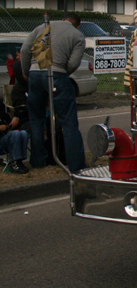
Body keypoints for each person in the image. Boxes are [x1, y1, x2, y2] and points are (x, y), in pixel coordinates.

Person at [21, 12, 87, 172]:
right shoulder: (77, 35)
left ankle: (37, 161)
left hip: (35, 74)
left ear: (64, 19)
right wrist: (62, 72)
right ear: (77, 25)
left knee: (36, 120)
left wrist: (27, 72)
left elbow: (24, 50)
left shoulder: (42, 27)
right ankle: (75, 165)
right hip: (57, 75)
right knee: (69, 122)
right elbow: (74, 63)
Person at [0, 109, 28, 174]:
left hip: (9, 136)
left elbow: (12, 126)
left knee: (23, 133)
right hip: (1, 140)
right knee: (15, 134)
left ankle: (19, 162)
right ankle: (14, 162)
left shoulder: (2, 114)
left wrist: (15, 120)